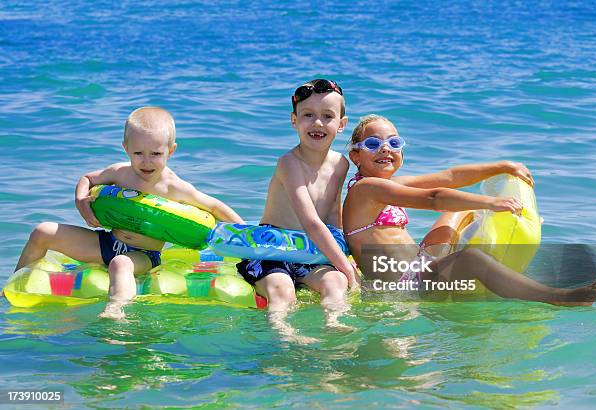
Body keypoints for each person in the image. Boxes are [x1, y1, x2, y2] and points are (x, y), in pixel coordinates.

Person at [343, 114, 596, 305]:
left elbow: (448, 176)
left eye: (394, 143)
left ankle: (491, 268)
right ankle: (555, 297)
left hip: (419, 263)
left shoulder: (389, 183)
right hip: (406, 286)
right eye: (373, 144)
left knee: (457, 212)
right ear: (356, 156)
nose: (386, 149)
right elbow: (434, 198)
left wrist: (502, 166)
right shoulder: (366, 189)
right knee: (470, 259)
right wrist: (491, 202)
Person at [14, 107, 245, 319]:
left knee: (121, 264)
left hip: (143, 256)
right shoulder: (121, 173)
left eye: (155, 153)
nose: (146, 162)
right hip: (108, 242)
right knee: (41, 231)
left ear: (171, 151)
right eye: (138, 153)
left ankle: (116, 309)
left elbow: (214, 206)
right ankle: (12, 287)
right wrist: (81, 202)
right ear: (126, 148)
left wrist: (246, 234)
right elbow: (88, 178)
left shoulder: (173, 187)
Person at [236, 79, 359, 342]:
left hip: (309, 251)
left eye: (327, 116)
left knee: (334, 283)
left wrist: (344, 258)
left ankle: (333, 323)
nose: (317, 123)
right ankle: (284, 333)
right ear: (294, 121)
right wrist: (347, 269)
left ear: (341, 124)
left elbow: (332, 218)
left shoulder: (340, 164)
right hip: (273, 249)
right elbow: (312, 221)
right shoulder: (289, 163)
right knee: (282, 291)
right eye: (308, 115)